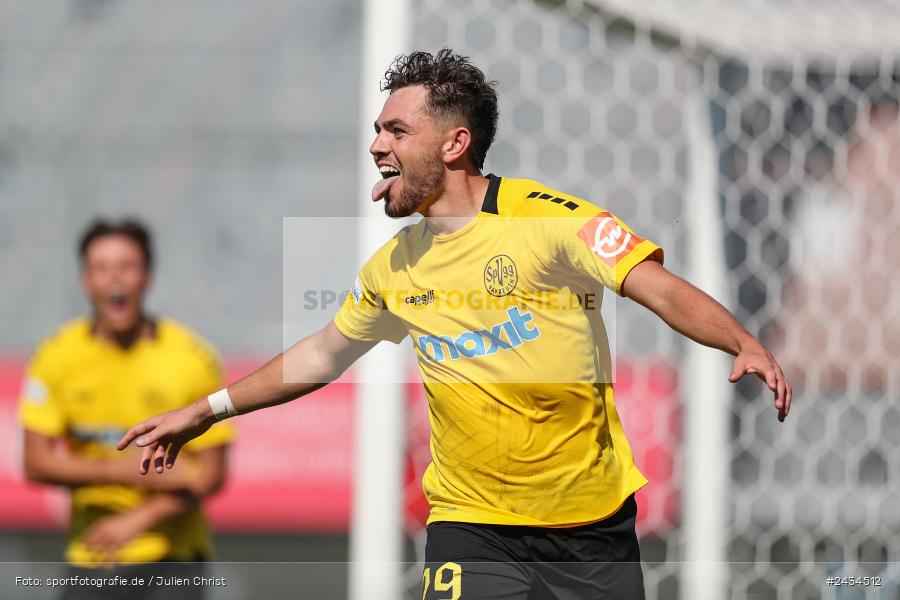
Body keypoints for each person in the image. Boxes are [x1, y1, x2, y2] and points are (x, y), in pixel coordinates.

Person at [117, 50, 791, 599]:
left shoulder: (549, 221)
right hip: (471, 526)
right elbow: (321, 356)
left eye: (397, 132)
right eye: (379, 131)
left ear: (455, 144)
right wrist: (209, 409)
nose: (378, 146)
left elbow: (658, 289)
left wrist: (741, 340)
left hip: (591, 527)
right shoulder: (395, 266)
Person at [20, 219, 233, 600]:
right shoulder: (55, 356)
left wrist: (139, 518)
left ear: (147, 277)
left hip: (174, 560)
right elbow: (36, 463)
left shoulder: (192, 357)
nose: (114, 279)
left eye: (127, 266)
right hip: (92, 556)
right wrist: (129, 470)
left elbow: (209, 475)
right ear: (86, 280)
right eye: (101, 268)